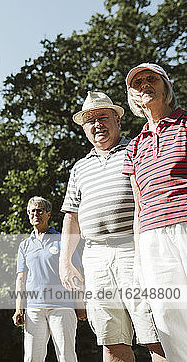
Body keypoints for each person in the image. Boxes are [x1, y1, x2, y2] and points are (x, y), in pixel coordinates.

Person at [59, 92, 165, 362]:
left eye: (103, 118)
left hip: (134, 249)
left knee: (155, 334)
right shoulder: (79, 168)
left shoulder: (137, 149)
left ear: (117, 119)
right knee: (111, 340)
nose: (97, 125)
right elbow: (71, 217)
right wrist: (65, 261)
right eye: (90, 121)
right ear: (84, 128)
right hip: (95, 256)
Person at [122, 62, 187, 360]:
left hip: (184, 225)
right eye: (138, 83)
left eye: (151, 79)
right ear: (132, 97)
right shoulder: (134, 146)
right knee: (167, 316)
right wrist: (138, 257)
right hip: (151, 238)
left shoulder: (186, 123)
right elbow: (138, 204)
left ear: (166, 87)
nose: (145, 84)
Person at [13, 196, 85, 362]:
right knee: (32, 357)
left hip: (62, 307)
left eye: (39, 210)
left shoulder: (62, 239)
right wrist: (19, 308)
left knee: (66, 356)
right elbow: (21, 279)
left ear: (48, 214)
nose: (35, 214)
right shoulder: (25, 245)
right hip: (34, 308)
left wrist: (80, 305)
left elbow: (77, 272)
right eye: (31, 211)